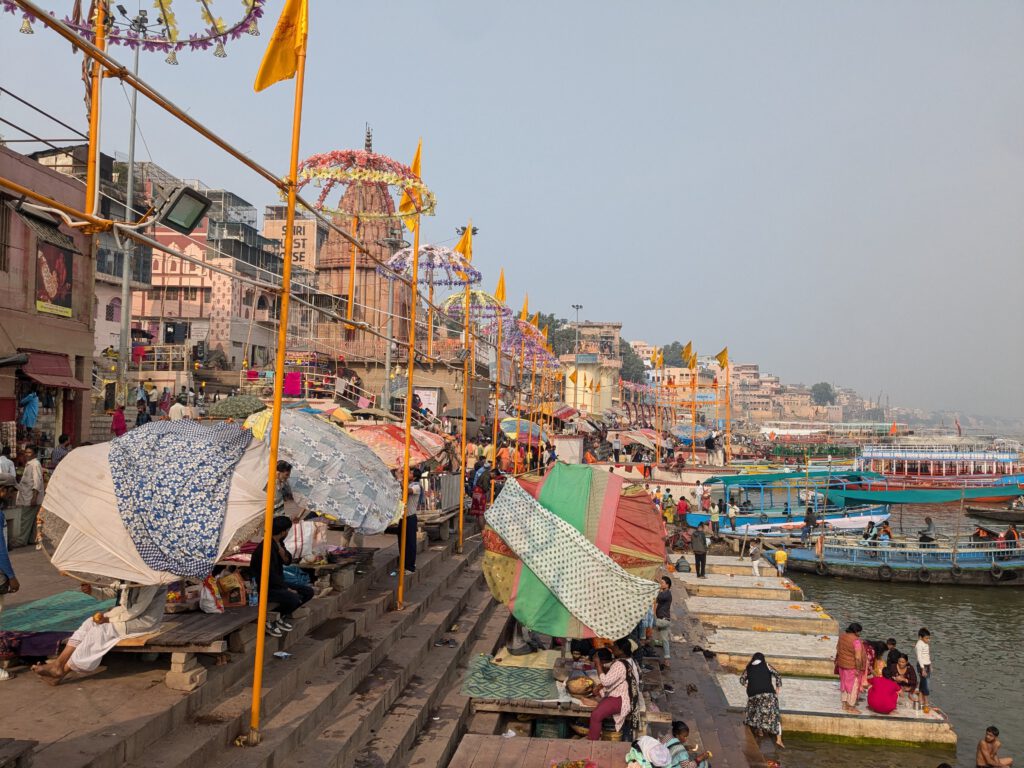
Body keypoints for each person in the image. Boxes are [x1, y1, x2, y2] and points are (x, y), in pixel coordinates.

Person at [32, 582, 168, 684]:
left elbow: (138, 609)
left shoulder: (151, 579)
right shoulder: (128, 574)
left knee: (100, 631)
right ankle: (59, 663)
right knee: (89, 623)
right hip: (125, 615)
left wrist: (108, 619)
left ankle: (63, 670)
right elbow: (114, 591)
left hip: (144, 622)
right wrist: (92, 590)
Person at [249, 516, 314, 637]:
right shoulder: (265, 548)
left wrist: (282, 553)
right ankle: (269, 619)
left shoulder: (278, 543)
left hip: (277, 583)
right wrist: (286, 588)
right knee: (293, 598)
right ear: (283, 531)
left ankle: (280, 615)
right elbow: (270, 575)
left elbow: (287, 560)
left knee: (308, 591)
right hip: (265, 587)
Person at [588, 647, 637, 741]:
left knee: (596, 715)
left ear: (621, 650)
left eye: (615, 646)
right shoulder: (627, 660)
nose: (612, 648)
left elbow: (606, 682)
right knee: (598, 708)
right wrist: (600, 688)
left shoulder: (619, 664)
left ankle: (592, 744)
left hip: (623, 698)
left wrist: (598, 664)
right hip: (625, 694)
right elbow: (614, 680)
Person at [739, 652, 784, 748]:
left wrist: (748, 686)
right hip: (768, 693)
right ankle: (779, 740)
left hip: (753, 694)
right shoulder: (766, 665)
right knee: (774, 715)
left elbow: (742, 680)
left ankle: (759, 731)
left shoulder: (749, 667)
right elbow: (778, 675)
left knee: (757, 712)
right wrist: (778, 688)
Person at [835, 622, 865, 713]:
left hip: (842, 665)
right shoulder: (856, 641)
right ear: (856, 631)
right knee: (853, 687)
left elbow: (837, 648)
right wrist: (858, 669)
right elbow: (858, 657)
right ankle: (851, 707)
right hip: (852, 667)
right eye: (859, 632)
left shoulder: (842, 636)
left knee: (844, 684)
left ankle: (844, 704)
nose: (859, 634)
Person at [654, 576, 672, 669]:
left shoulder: (667, 594)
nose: (661, 584)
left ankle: (644, 641)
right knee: (665, 640)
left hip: (663, 621)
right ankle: (667, 660)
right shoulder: (664, 593)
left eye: (662, 583)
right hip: (664, 620)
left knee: (648, 623)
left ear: (667, 585)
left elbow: (657, 597)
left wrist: (655, 587)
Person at [916, 627, 933, 713]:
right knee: (926, 684)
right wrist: (923, 669)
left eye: (929, 638)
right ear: (921, 637)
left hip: (927, 665)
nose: (928, 640)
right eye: (926, 638)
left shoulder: (926, 644)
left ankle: (920, 700)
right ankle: (926, 702)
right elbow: (919, 657)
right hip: (922, 666)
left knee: (923, 683)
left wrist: (930, 665)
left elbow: (927, 655)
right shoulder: (919, 644)